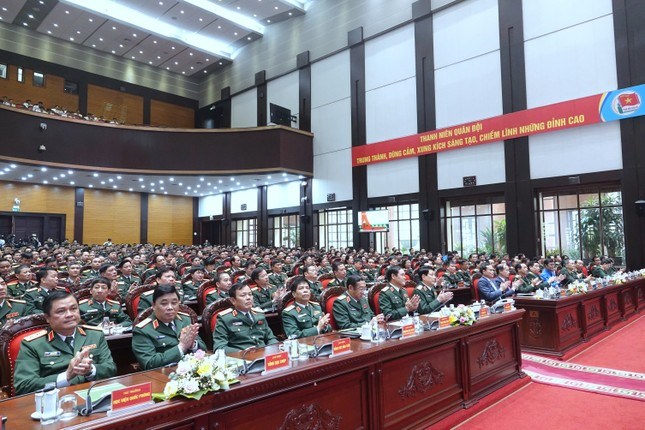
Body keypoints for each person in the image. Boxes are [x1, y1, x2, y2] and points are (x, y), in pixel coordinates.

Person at [13, 290, 116, 395]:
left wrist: (90, 370)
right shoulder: (32, 344)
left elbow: (111, 369)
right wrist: (66, 376)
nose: (69, 315)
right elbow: (23, 385)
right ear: (47, 318)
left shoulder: (95, 335)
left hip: (93, 394)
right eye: (61, 311)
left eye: (73, 309)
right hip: (56, 399)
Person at [132, 284, 206, 370]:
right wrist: (181, 347)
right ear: (153, 305)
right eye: (164, 304)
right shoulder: (143, 330)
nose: (170, 307)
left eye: (174, 303)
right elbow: (149, 363)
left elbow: (203, 348)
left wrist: (193, 345)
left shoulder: (185, 319)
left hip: (191, 370)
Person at [212, 282, 278, 353]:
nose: (248, 298)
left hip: (264, 355)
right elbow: (220, 347)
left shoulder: (259, 314)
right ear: (233, 300)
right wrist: (241, 353)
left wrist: (274, 350)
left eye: (250, 294)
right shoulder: (225, 319)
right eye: (243, 295)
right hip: (241, 359)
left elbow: (271, 338)